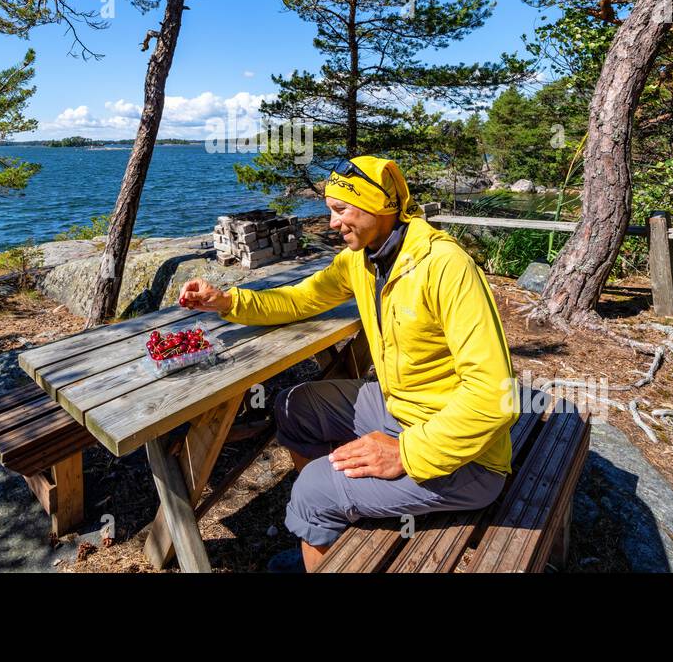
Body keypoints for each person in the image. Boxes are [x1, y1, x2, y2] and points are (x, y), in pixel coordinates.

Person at [179, 155, 518, 572]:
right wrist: (228, 301)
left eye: (341, 210)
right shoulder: (362, 258)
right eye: (330, 211)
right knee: (293, 405)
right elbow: (301, 298)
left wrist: (407, 452)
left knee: (312, 490)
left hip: (467, 458)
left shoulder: (444, 267)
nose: (333, 223)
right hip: (400, 408)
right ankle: (328, 533)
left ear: (380, 206)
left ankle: (320, 513)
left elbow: (494, 397)